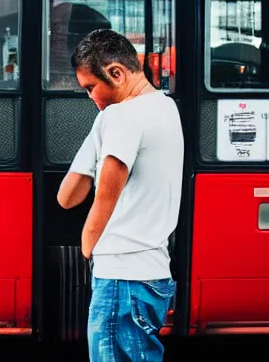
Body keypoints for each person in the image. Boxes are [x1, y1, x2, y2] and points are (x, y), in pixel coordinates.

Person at [57, 29, 184, 362]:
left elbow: (100, 197)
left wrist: (88, 246)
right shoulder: (165, 108)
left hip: (122, 278)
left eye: (90, 87)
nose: (89, 97)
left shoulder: (122, 116)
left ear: (116, 73)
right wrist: (101, 127)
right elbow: (68, 196)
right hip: (153, 275)